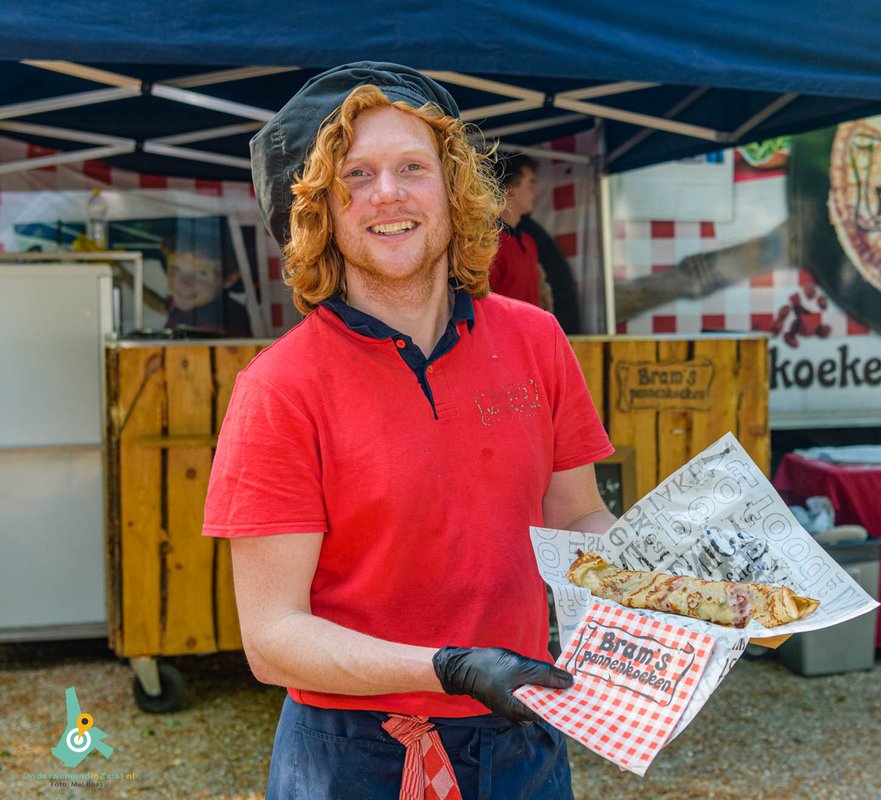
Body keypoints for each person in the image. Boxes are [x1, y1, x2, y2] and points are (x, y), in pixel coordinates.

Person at [202, 62, 616, 800]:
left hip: (524, 734)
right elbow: (272, 639)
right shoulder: (279, 388)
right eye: (355, 175)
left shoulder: (536, 340)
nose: (387, 193)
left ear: (455, 194)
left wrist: (671, 594)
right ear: (320, 210)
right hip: (352, 754)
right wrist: (449, 668)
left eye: (412, 168)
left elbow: (575, 513)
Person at [164, 221, 252, 337]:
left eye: (202, 273)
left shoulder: (223, 324)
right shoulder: (186, 307)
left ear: (230, 279)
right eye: (176, 269)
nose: (183, 282)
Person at [488, 153, 553, 310]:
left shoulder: (528, 242)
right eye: (530, 184)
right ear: (510, 190)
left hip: (531, 332)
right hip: (503, 333)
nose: (536, 192)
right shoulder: (488, 243)